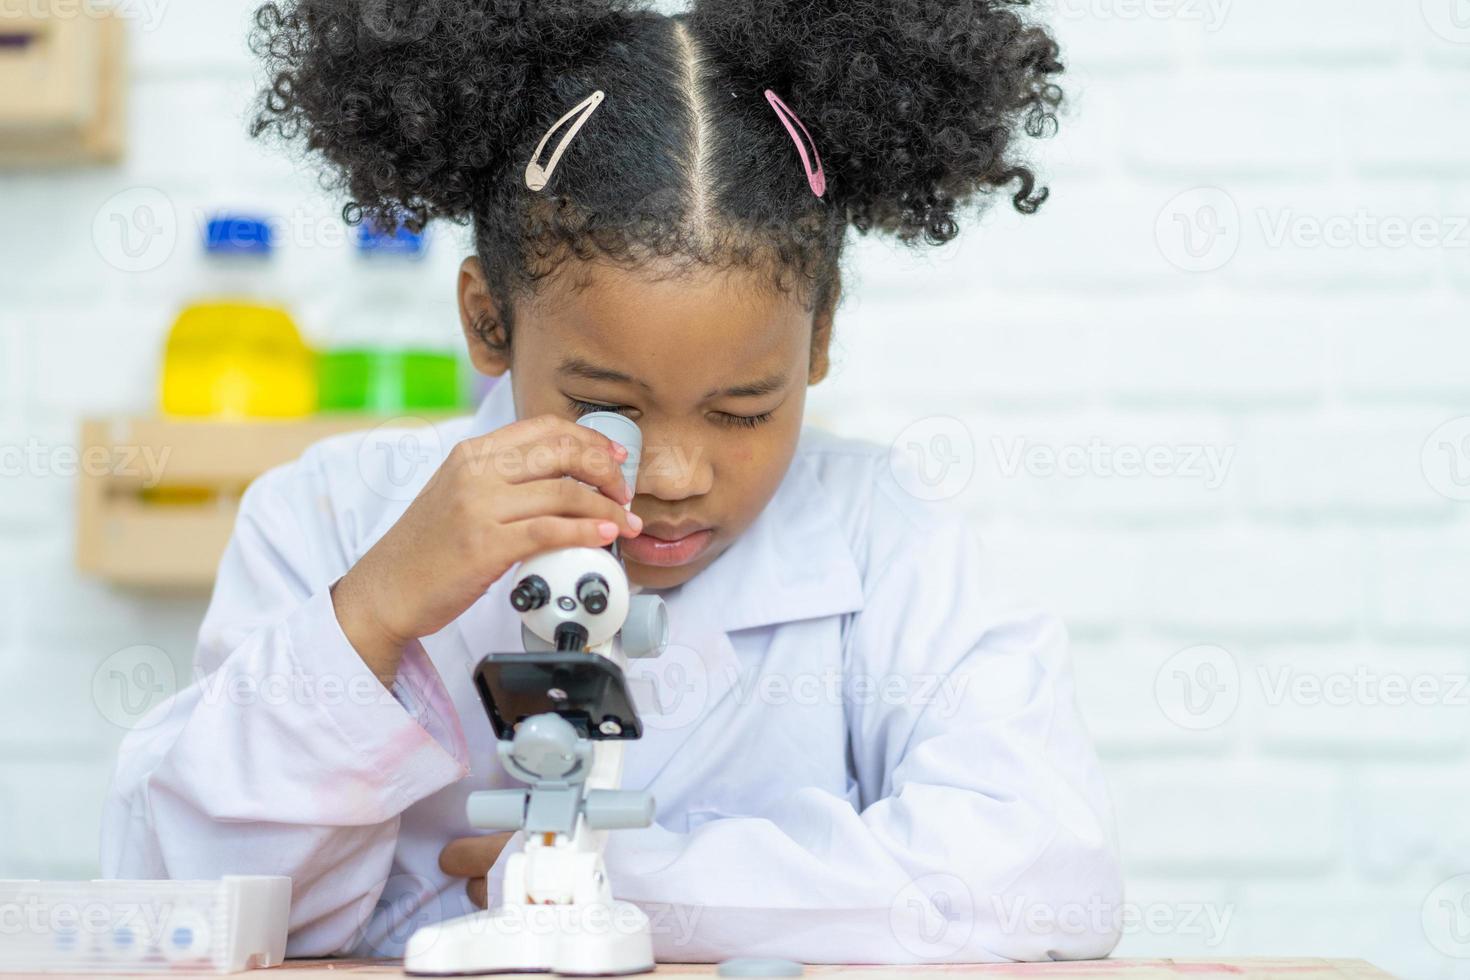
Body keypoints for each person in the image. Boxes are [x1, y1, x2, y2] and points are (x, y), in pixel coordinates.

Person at [102, 0, 1122, 963]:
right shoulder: (326, 514)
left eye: (742, 409)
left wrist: (603, 876)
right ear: (488, 322)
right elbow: (181, 905)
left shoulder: (884, 535)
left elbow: (1049, 871)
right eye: (606, 405)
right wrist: (366, 616)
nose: (674, 474)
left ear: (820, 336)